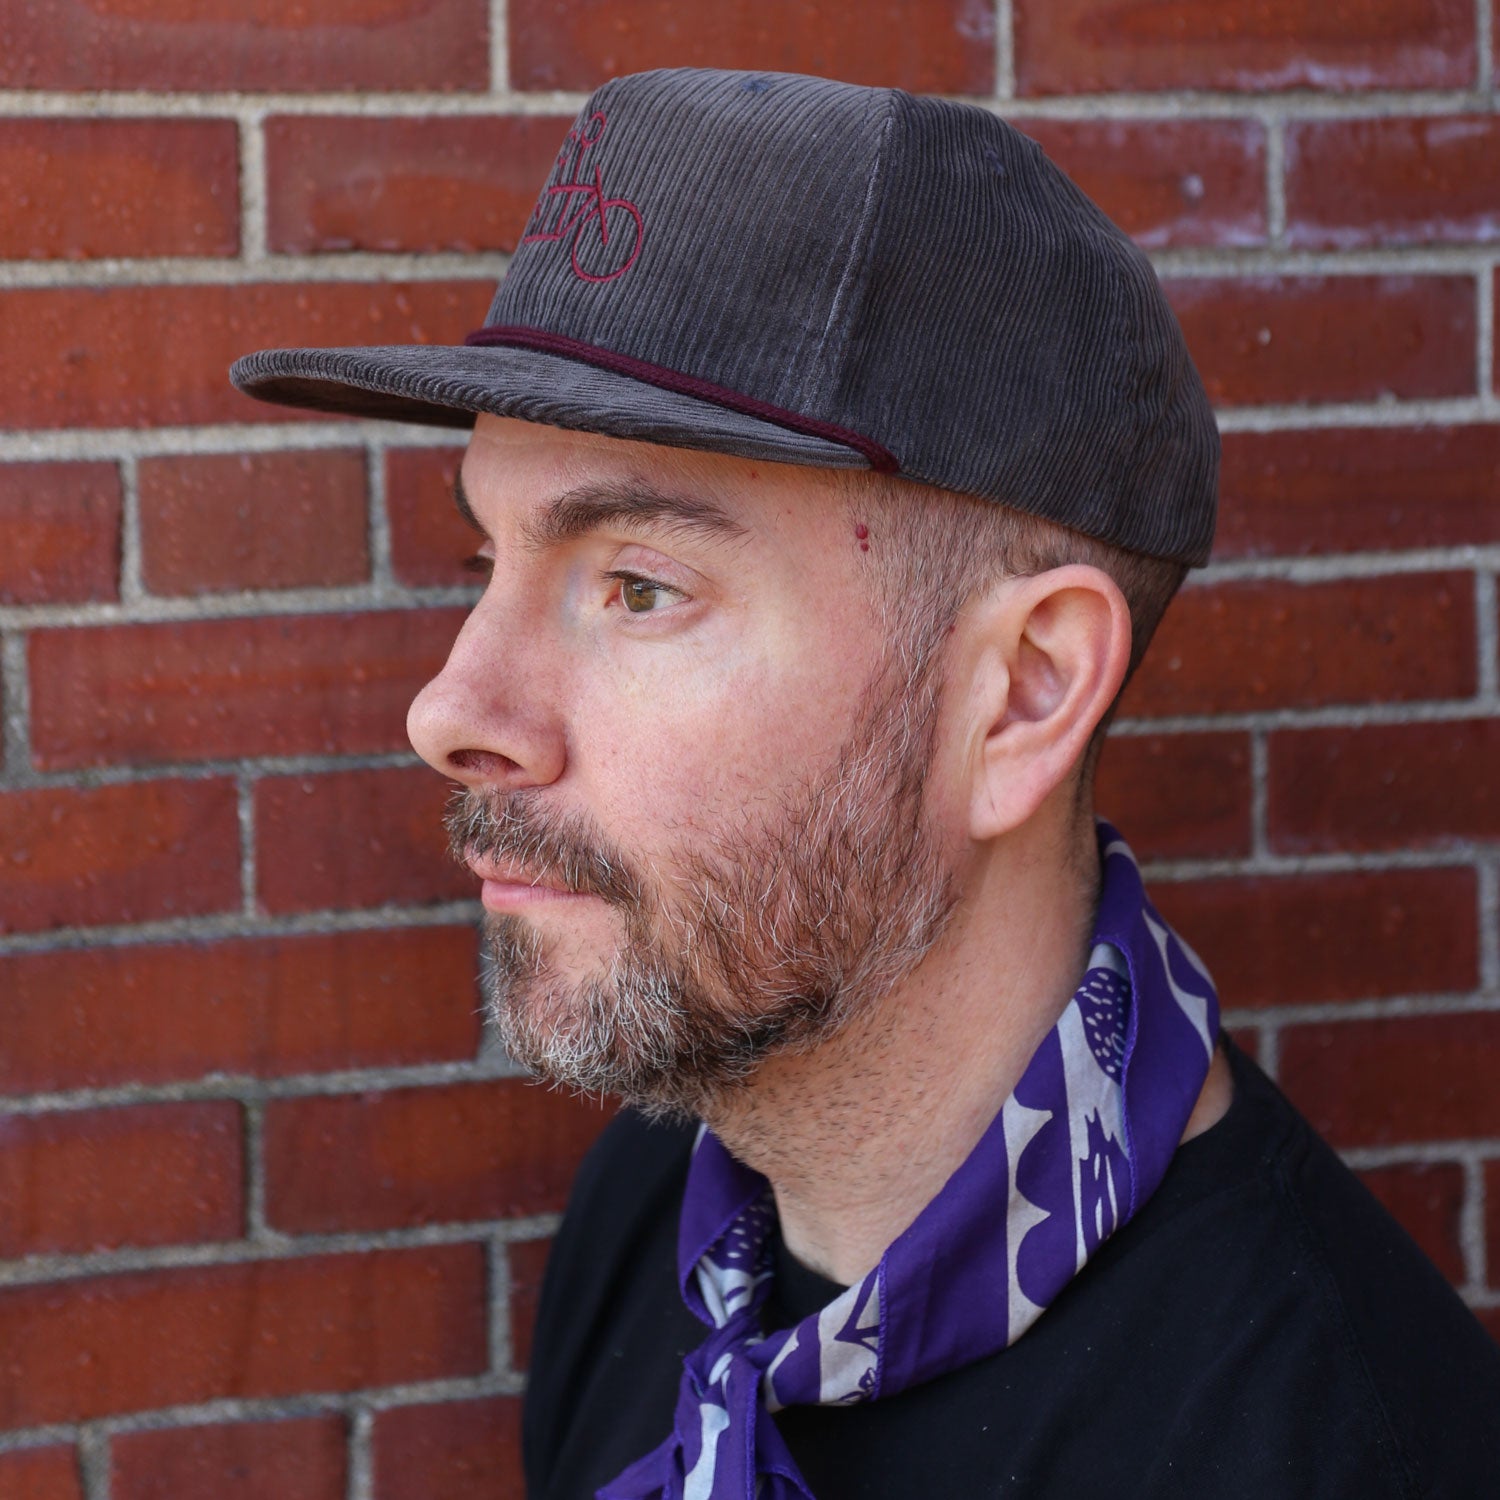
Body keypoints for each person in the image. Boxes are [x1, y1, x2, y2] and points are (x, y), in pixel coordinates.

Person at [232, 67, 1500, 1500]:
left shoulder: (1326, 1447)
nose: (449, 711)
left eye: (638, 586)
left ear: (1020, 696)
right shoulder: (669, 1212)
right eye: (490, 561)